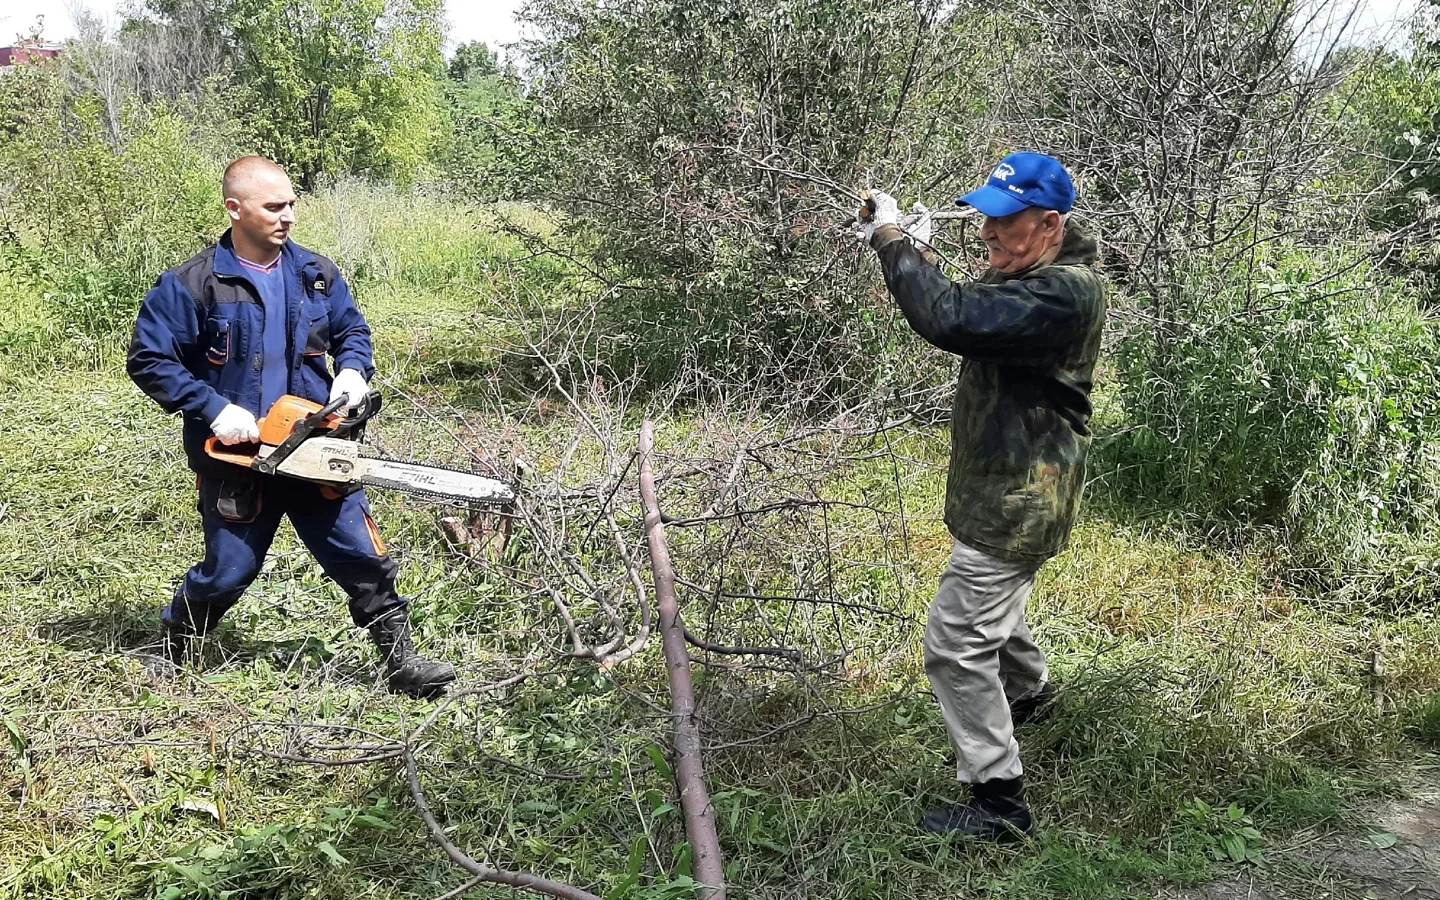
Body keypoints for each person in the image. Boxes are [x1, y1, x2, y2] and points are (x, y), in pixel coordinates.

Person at [126, 155, 456, 698]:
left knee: (361, 556)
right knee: (229, 572)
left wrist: (352, 370)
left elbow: (353, 330)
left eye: (292, 205)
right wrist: (212, 407)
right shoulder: (193, 284)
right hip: (241, 456)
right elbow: (151, 360)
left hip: (317, 446)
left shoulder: (316, 275)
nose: (288, 217)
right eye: (274, 207)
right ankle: (175, 644)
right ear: (235, 209)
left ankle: (400, 663)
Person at [860, 152, 1106, 840]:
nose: (990, 236)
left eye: (1006, 224)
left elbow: (953, 319)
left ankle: (999, 804)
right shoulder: (1032, 274)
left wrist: (896, 243)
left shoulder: (1065, 293)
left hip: (1020, 497)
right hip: (1008, 488)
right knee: (997, 607)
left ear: (1051, 224)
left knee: (956, 639)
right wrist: (918, 246)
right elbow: (968, 304)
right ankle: (1031, 697)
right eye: (985, 221)